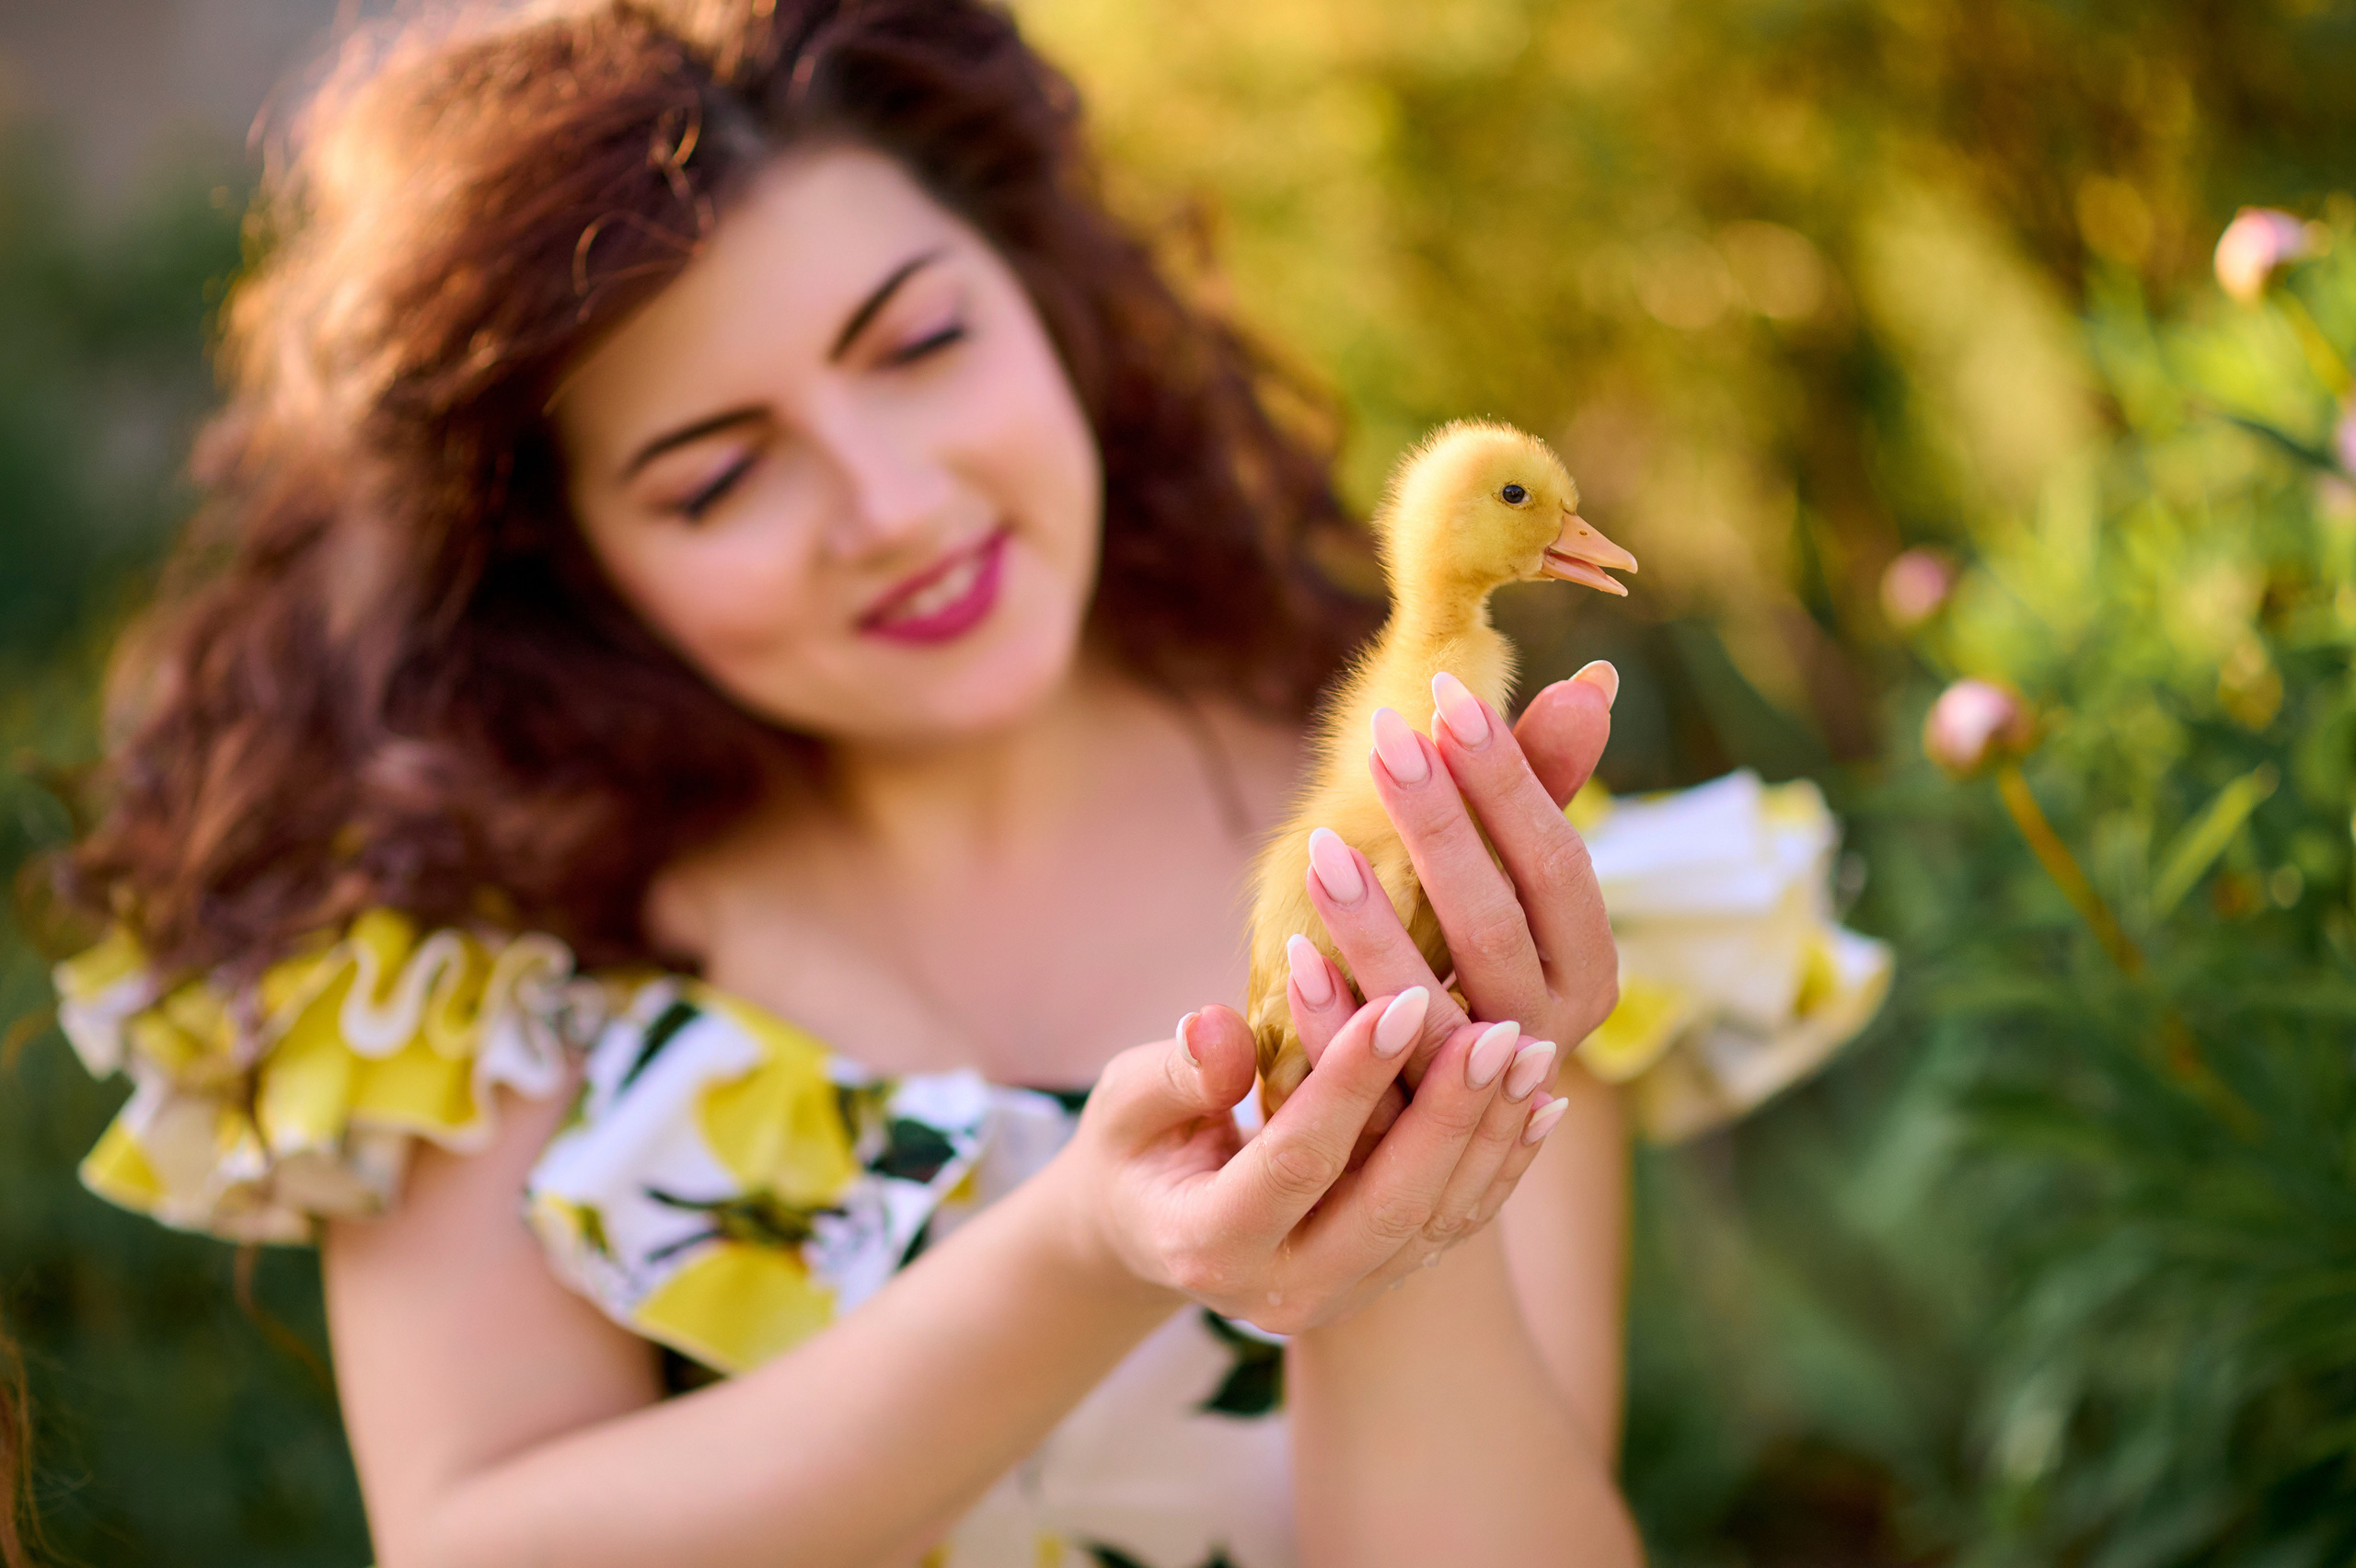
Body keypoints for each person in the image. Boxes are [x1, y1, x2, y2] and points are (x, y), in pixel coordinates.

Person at [40, 1, 1644, 1562]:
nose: (885, 504)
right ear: (573, 558)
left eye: (923, 342)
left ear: (1042, 291)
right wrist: (1090, 1245)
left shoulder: (1461, 835)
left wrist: (1399, 1209)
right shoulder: (477, 964)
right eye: (720, 474)